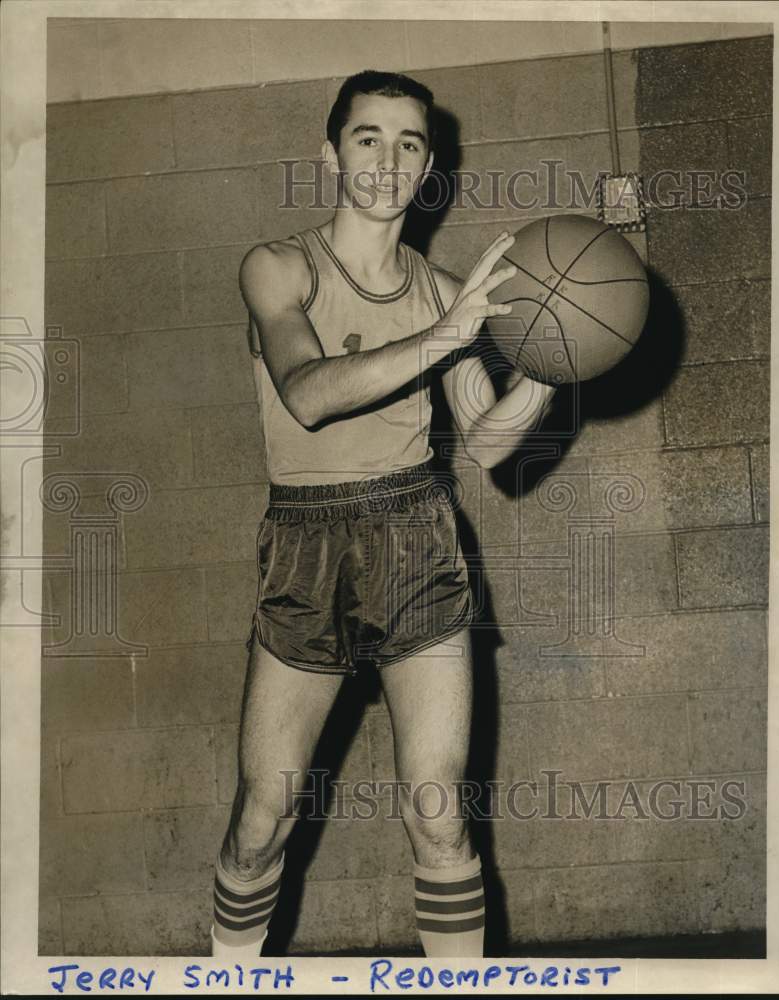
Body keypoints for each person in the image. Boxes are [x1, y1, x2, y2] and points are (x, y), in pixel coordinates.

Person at [211, 69, 556, 960]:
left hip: (416, 537)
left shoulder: (446, 291)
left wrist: (556, 367)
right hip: (305, 542)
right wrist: (447, 336)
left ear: (427, 166)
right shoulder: (277, 266)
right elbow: (309, 394)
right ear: (330, 154)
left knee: (438, 812)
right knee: (263, 815)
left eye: (409, 143)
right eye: (368, 138)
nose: (387, 159)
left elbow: (486, 442)